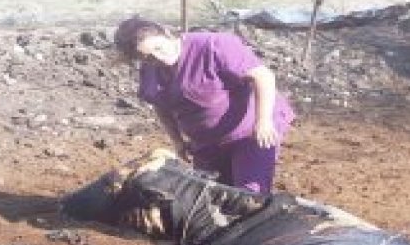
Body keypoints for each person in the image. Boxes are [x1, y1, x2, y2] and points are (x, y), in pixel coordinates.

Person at [113, 18, 295, 194]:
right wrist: (177, 141)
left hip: (248, 132)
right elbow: (161, 105)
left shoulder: (213, 46)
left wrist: (263, 121)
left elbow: (262, 76)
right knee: (209, 195)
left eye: (158, 48)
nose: (158, 58)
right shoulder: (150, 70)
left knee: (249, 195)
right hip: (206, 143)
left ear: (167, 34)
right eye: (147, 57)